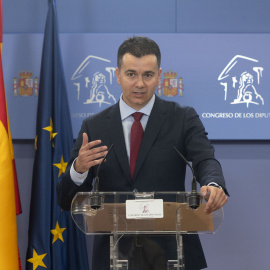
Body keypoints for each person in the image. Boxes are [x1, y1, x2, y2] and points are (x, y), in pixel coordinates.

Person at [57, 36, 228, 270]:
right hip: (114, 256)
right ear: (117, 75)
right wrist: (78, 170)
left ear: (159, 75)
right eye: (131, 74)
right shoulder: (94, 127)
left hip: (172, 253)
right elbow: (66, 201)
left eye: (147, 75)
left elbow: (205, 159)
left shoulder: (182, 118)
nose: (139, 83)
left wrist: (214, 184)